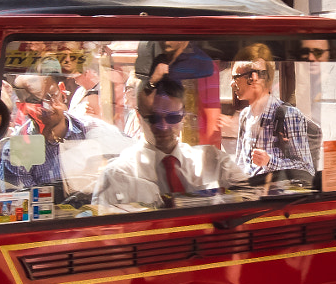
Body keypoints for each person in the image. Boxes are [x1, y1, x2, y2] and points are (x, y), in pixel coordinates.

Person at [91, 77, 248, 208]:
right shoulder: (116, 177)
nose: (163, 126)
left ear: (184, 116)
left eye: (173, 117)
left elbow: (252, 196)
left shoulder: (214, 161)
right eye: (153, 118)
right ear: (138, 117)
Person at [229, 46, 318, 187]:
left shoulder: (289, 115)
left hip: (275, 199)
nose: (231, 83)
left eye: (235, 77)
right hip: (249, 195)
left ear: (253, 78)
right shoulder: (245, 116)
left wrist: (269, 161)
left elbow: (306, 169)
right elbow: (240, 164)